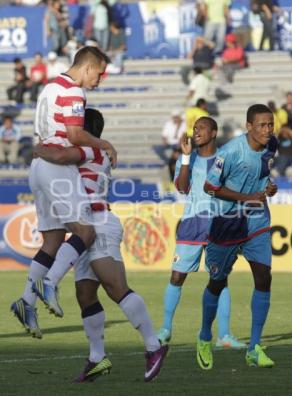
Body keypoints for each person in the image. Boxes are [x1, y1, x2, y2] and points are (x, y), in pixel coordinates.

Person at [18, 108, 168, 383]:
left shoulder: (90, 151)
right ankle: (97, 358)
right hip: (85, 225)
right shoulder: (93, 151)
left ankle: (154, 346)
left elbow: (58, 156)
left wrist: (38, 148)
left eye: (74, 126)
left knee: (115, 287)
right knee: (85, 296)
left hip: (98, 224)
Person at [11, 46, 117, 330]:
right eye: (100, 72)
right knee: (85, 231)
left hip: (39, 166)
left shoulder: (49, 88)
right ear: (86, 67)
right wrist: (104, 143)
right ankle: (49, 284)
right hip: (57, 166)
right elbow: (74, 134)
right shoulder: (74, 91)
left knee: (53, 240)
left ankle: (26, 301)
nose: (100, 78)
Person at [196, 104, 278, 371]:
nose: (268, 130)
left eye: (270, 124)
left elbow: (264, 172)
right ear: (249, 127)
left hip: (256, 220)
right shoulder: (231, 151)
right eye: (262, 125)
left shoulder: (271, 145)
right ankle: (205, 336)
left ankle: (254, 347)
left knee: (264, 278)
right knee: (217, 282)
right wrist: (246, 197)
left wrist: (268, 187)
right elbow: (210, 186)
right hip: (227, 222)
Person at [157, 117, 246, 349]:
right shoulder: (187, 158)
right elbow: (183, 188)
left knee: (220, 278)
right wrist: (185, 157)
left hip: (219, 222)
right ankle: (165, 329)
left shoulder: (226, 159)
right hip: (192, 222)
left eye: (202, 128)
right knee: (177, 276)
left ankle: (224, 336)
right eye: (195, 128)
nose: (196, 132)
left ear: (214, 132)